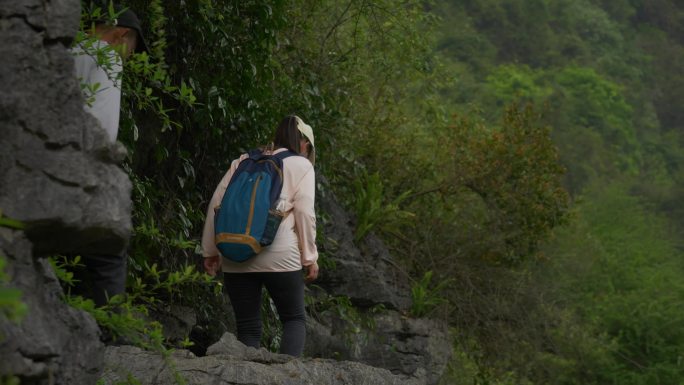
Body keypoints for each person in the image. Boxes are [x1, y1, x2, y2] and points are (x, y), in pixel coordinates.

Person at [202, 115, 319, 357]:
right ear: (304, 143)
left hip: (235, 252)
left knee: (247, 328)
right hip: (280, 252)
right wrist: (310, 257)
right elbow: (305, 212)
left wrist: (211, 251)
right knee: (293, 319)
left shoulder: (244, 161)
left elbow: (216, 203)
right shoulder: (301, 164)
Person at [70, 6, 148, 307]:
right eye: (132, 49)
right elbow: (102, 125)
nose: (129, 56)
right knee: (108, 254)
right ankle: (114, 339)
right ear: (121, 34)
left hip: (45, 162)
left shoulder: (65, 51)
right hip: (86, 169)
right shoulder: (108, 57)